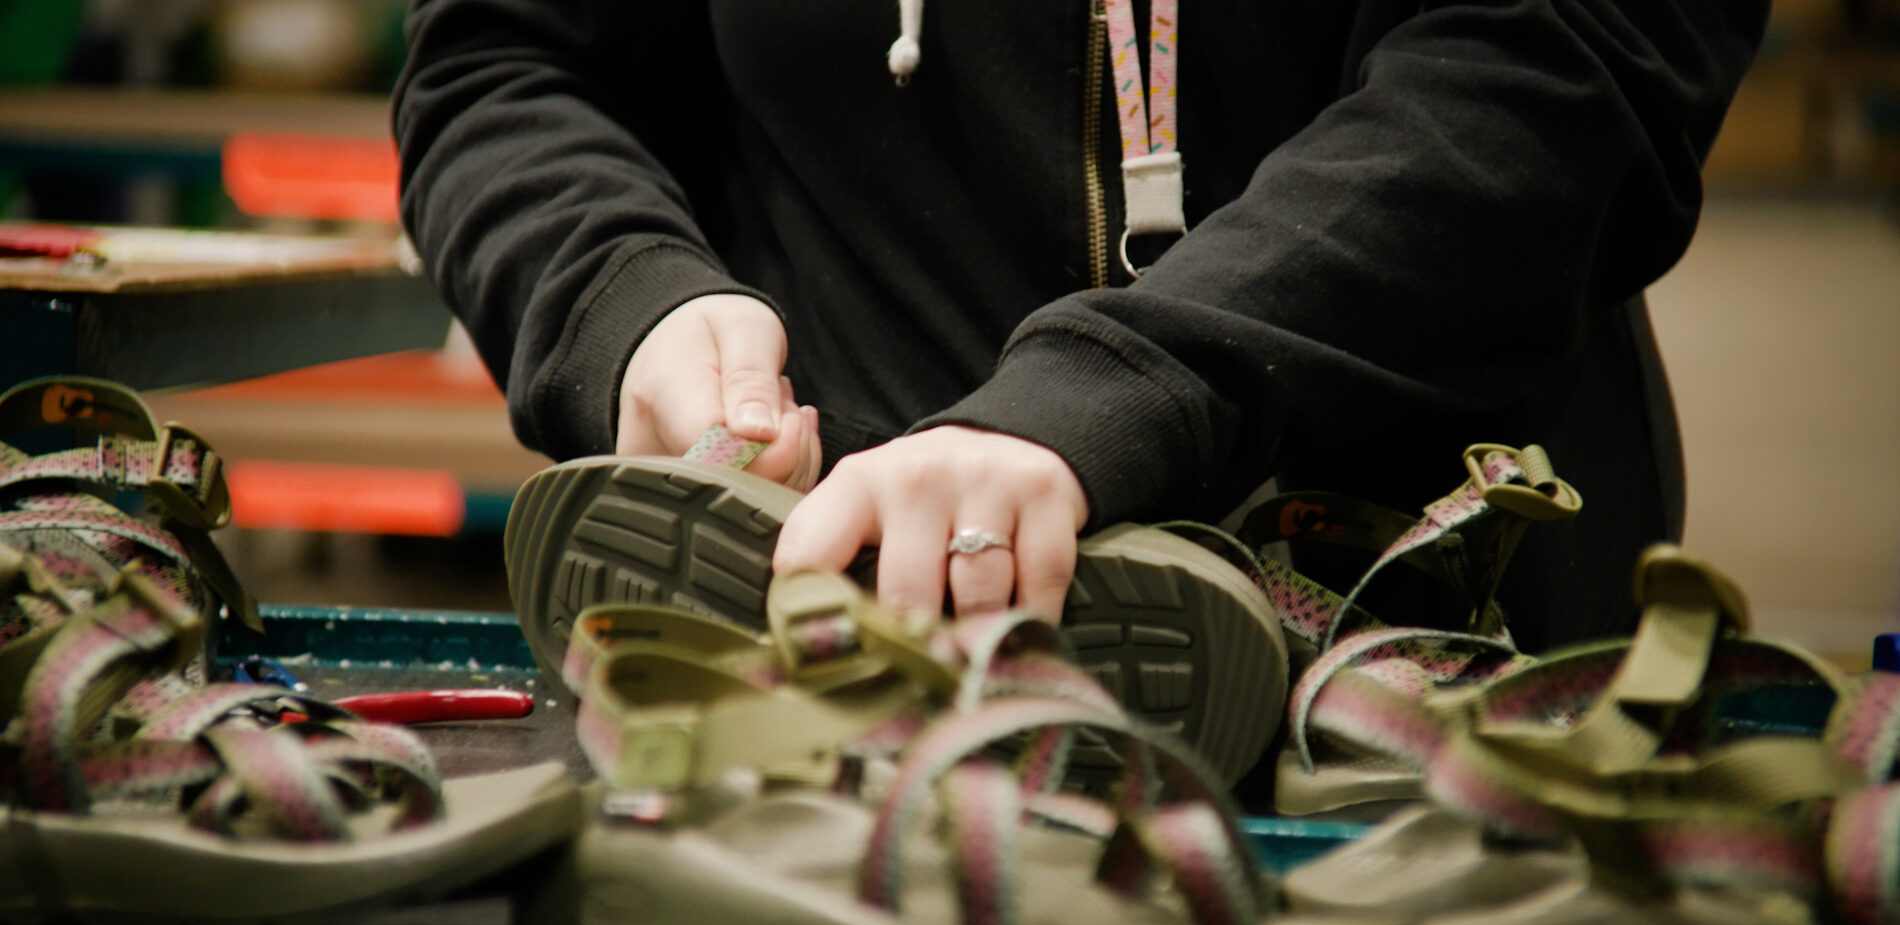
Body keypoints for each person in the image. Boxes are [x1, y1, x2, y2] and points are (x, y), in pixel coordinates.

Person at [393, 0, 1766, 652]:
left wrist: (1109, 401)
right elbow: (507, 63)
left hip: (1415, 669)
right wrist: (630, 301)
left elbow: (1564, 73)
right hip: (831, 666)